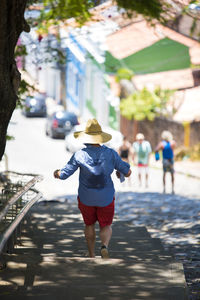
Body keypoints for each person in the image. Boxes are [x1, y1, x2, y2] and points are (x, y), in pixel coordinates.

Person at [54, 119, 131, 259]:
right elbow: (127, 172)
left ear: (86, 137)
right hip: (106, 197)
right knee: (106, 225)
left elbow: (63, 174)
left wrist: (56, 173)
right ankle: (104, 246)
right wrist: (119, 171)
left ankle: (91, 255)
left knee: (89, 224)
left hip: (86, 198)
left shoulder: (79, 154)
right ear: (100, 137)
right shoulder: (111, 154)